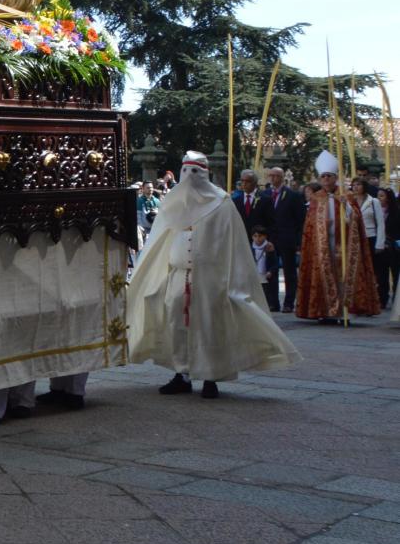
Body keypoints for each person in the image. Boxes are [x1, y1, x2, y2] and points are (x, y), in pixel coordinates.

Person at [128, 151, 301, 398]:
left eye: (194, 172)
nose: (189, 178)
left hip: (210, 276)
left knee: (209, 325)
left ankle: (211, 376)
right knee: (176, 323)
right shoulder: (173, 201)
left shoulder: (222, 202)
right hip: (178, 274)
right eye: (185, 171)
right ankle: (182, 373)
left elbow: (232, 243)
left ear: (205, 173)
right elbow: (159, 239)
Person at [295, 151, 381, 323]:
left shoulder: (347, 196)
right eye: (323, 176)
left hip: (344, 244)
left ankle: (344, 312)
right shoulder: (316, 199)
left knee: (343, 278)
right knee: (323, 277)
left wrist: (346, 207)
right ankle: (325, 311)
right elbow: (310, 226)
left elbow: (355, 219)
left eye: (329, 176)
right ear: (320, 179)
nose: (326, 179)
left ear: (335, 177)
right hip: (323, 246)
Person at [255, 165, 308, 312]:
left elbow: (300, 220)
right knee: (271, 271)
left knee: (289, 271)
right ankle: (273, 302)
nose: (273, 178)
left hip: (287, 239)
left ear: (282, 177)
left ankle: (289, 302)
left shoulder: (293, 195)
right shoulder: (264, 195)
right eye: (271, 176)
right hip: (271, 239)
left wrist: (298, 241)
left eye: (276, 176)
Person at [351, 178, 387, 309]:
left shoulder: (373, 202)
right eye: (353, 185)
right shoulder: (351, 202)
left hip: (370, 237)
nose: (355, 187)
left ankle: (379, 298)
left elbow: (380, 222)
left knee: (374, 269)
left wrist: (380, 243)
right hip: (355, 238)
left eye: (358, 184)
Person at [250, 224, 281, 312]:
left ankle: (271, 305)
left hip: (266, 273)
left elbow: (275, 263)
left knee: (269, 291)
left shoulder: (269, 247)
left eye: (260, 236)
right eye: (255, 236)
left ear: (265, 236)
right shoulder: (251, 247)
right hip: (256, 273)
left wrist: (271, 271)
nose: (257, 239)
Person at [231, 170, 263, 235]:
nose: (244, 184)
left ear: (255, 183)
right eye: (242, 181)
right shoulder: (236, 200)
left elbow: (271, 222)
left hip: (259, 239)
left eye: (248, 181)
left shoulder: (265, 199)